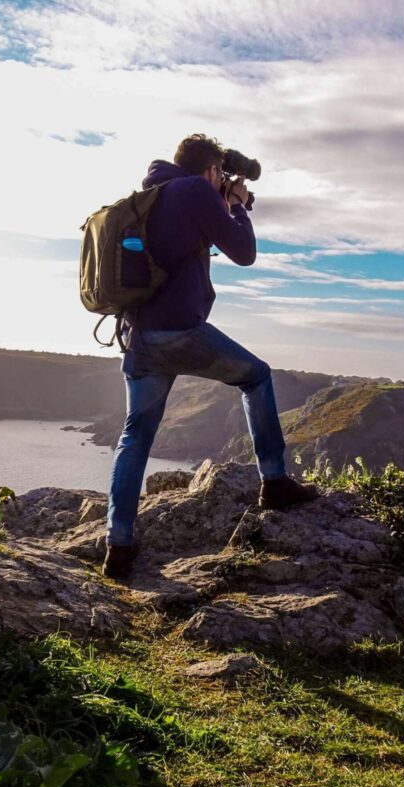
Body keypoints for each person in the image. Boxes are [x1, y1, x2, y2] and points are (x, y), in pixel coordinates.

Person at [103, 134, 317, 578]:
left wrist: (223, 199)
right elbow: (244, 253)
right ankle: (274, 483)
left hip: (140, 335)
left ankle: (118, 546)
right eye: (221, 173)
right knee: (256, 376)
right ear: (212, 171)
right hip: (180, 332)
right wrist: (236, 203)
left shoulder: (154, 194)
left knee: (135, 436)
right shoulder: (196, 191)